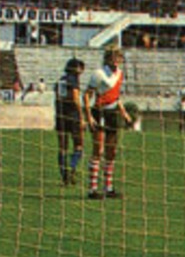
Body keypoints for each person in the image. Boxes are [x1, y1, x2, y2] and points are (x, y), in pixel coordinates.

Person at [83, 46, 132, 199]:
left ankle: (108, 188)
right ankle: (92, 189)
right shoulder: (98, 74)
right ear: (108, 58)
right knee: (98, 150)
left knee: (111, 152)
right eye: (114, 57)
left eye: (119, 57)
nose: (117, 60)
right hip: (100, 112)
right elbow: (87, 95)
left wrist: (124, 113)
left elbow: (116, 97)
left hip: (113, 113)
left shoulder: (120, 74)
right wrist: (89, 116)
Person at [54, 58, 85, 186]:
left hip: (60, 116)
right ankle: (72, 169)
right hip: (73, 116)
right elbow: (75, 98)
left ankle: (64, 175)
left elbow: (57, 97)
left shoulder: (60, 80)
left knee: (62, 147)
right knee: (79, 145)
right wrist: (82, 117)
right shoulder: (73, 80)